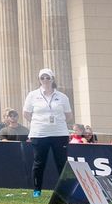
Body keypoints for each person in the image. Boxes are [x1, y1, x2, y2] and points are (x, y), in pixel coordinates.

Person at [22, 68, 73, 196]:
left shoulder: (62, 97)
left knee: (61, 162)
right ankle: (37, 190)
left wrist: (57, 123)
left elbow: (68, 116)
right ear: (39, 80)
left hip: (59, 134)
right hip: (39, 134)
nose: (45, 80)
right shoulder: (32, 95)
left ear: (52, 79)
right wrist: (40, 123)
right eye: (42, 78)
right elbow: (27, 114)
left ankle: (64, 190)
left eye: (47, 77)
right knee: (39, 162)